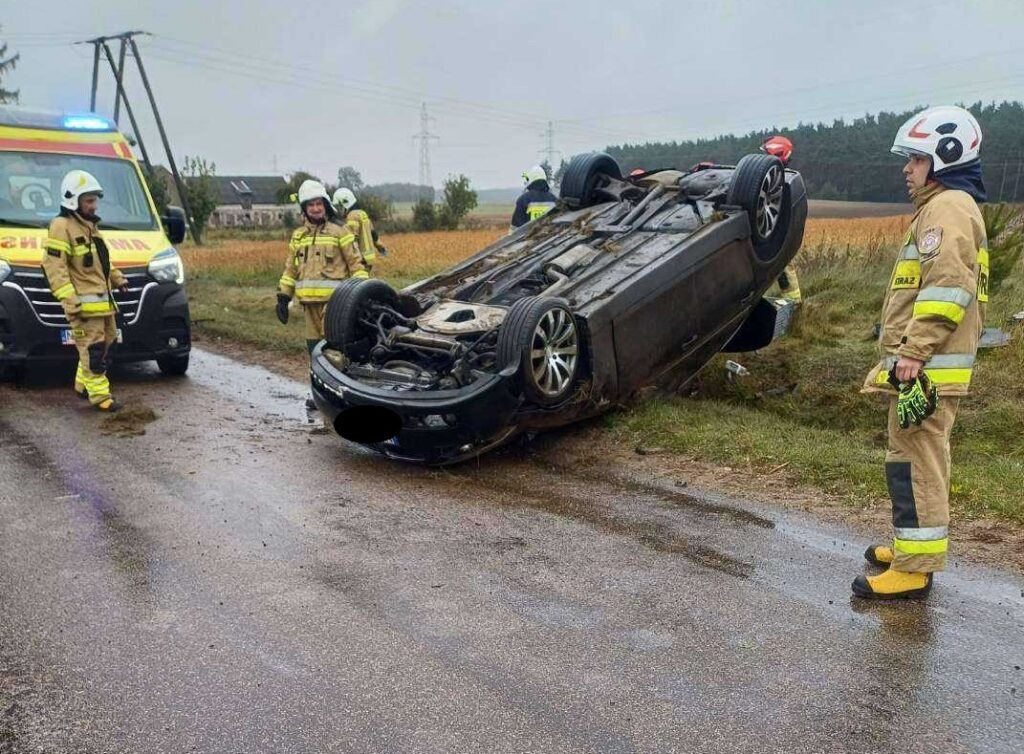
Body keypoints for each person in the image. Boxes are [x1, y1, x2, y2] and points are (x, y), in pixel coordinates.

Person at [854, 105, 988, 600]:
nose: (906, 170)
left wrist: (913, 351)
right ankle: (910, 547)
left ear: (942, 159)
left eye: (914, 160)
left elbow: (949, 287)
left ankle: (915, 568)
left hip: (926, 367)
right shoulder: (945, 207)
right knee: (907, 457)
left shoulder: (947, 207)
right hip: (925, 364)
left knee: (918, 460)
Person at [41, 170, 128, 412]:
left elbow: (103, 261)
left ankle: (82, 384)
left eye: (94, 200)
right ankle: (100, 397)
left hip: (103, 302)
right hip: (82, 306)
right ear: (72, 200)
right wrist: (69, 299)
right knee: (94, 349)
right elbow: (54, 267)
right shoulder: (61, 226)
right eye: (88, 201)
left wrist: (118, 279)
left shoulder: (90, 227)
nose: (93, 205)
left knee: (107, 343)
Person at [277, 180, 368, 407]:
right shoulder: (298, 236)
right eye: (310, 205)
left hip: (334, 307)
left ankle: (344, 398)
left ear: (326, 205)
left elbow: (357, 266)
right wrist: (283, 296)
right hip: (308, 307)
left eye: (319, 204)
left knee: (335, 354)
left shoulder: (341, 231)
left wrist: (361, 297)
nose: (315, 209)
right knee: (314, 354)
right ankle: (320, 397)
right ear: (304, 209)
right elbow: (291, 269)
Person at [761, 135, 802, 303]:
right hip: (778, 234)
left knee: (782, 269)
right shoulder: (784, 177)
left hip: (775, 235)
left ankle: (793, 304)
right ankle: (793, 302)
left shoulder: (777, 180)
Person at [332, 187, 387, 269]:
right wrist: (381, 247)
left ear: (345, 204)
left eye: (339, 206)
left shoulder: (352, 216)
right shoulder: (362, 214)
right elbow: (373, 234)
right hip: (369, 258)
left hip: (361, 258)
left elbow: (352, 239)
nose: (339, 209)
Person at [510, 165, 557, 231]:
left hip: (528, 239)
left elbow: (515, 229)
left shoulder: (523, 200)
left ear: (530, 179)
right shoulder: (554, 200)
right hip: (552, 239)